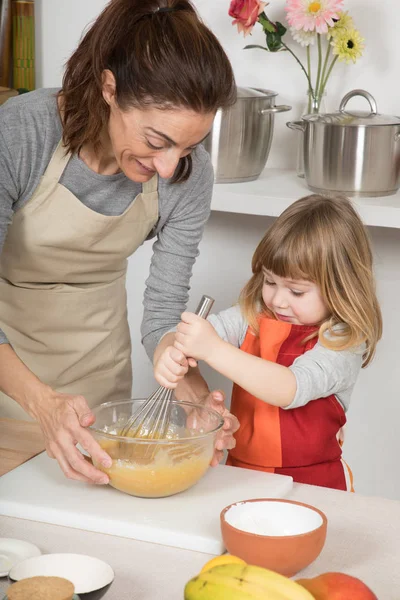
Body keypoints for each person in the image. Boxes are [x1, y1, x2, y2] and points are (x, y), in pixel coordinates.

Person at [0, 0, 239, 485]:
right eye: (157, 140)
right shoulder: (22, 133)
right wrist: (42, 403)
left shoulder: (188, 177)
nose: (171, 167)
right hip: (10, 393)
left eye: (189, 147)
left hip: (99, 403)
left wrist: (191, 391)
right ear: (110, 89)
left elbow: (160, 320)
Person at [154, 194, 383, 491]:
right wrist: (169, 350)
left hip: (314, 484)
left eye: (297, 292)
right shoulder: (253, 316)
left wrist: (212, 349)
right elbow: (185, 333)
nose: (277, 300)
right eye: (270, 282)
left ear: (341, 286)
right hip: (240, 474)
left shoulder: (343, 342)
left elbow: (289, 388)